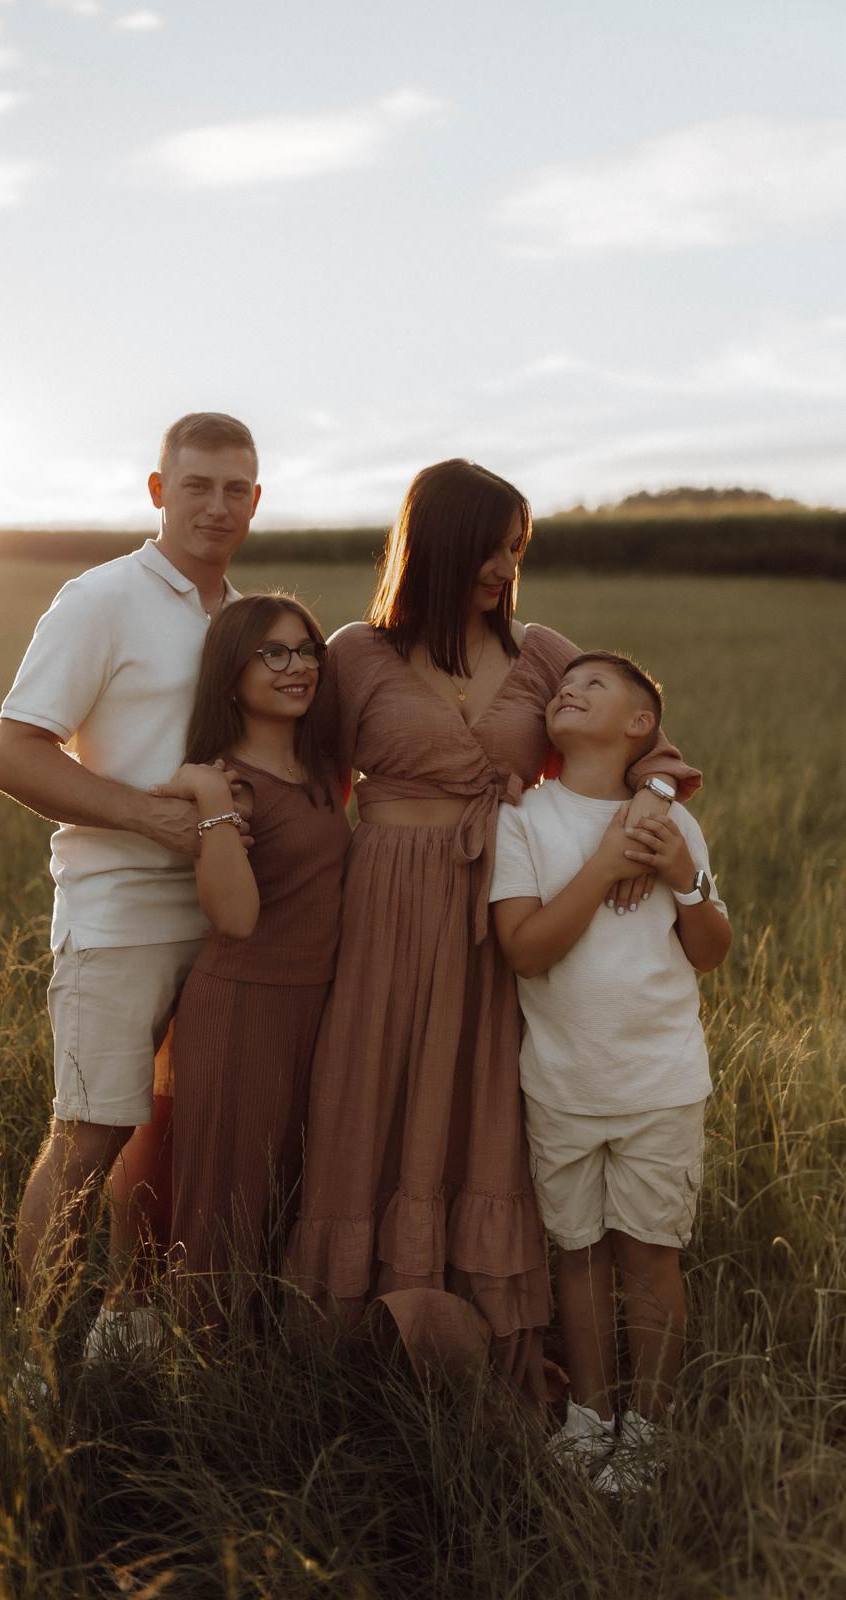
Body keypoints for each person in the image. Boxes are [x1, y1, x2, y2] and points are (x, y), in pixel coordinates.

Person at [285, 459, 701, 1402]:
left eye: (520, 547)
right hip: (385, 915)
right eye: (493, 544)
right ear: (436, 539)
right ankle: (357, 1338)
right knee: (375, 1097)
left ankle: (480, 1338)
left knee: (484, 1113)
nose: (507, 565)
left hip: (502, 912)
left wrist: (651, 806)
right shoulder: (355, 653)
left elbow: (649, 739)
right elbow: (308, 782)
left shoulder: (542, 650)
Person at [0, 412, 260, 1350]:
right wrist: (148, 815)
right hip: (118, 912)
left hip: (225, 916)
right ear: (157, 491)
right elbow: (11, 754)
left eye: (235, 490)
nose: (216, 506)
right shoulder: (99, 599)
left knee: (174, 1135)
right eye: (196, 486)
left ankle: (128, 1327)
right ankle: (28, 1362)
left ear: (256, 502)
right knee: (91, 1134)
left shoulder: (245, 620)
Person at [490, 652, 730, 1486]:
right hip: (560, 1080)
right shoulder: (523, 820)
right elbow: (525, 950)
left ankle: (648, 1434)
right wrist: (602, 868)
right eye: (564, 684)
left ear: (641, 726)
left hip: (658, 1082)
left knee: (650, 1256)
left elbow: (709, 951)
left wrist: (679, 878)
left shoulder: (666, 822)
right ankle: (591, 1418)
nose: (570, 689)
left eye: (596, 685)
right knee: (580, 1254)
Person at [148, 595, 351, 1313]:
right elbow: (234, 917)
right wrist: (210, 797)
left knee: (289, 1193)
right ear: (231, 675)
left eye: (306, 650)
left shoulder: (324, 766)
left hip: (318, 1008)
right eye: (274, 653)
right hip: (242, 1007)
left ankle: (266, 1361)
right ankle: (197, 1378)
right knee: (223, 1203)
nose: (297, 667)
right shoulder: (230, 782)